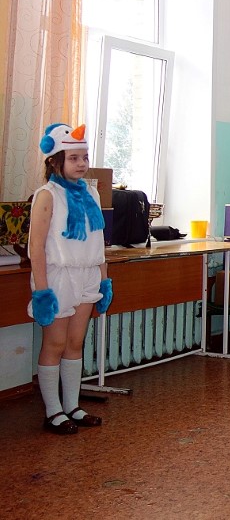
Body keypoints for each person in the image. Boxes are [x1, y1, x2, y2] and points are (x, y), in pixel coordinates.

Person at [28, 123, 113, 435]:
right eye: (74, 158)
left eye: (85, 157)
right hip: (58, 277)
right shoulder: (47, 195)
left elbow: (98, 241)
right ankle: (53, 411)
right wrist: (42, 291)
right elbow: (36, 247)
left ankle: (73, 406)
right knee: (55, 343)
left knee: (76, 343)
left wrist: (103, 280)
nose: (81, 163)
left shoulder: (91, 193)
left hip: (88, 274)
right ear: (56, 162)